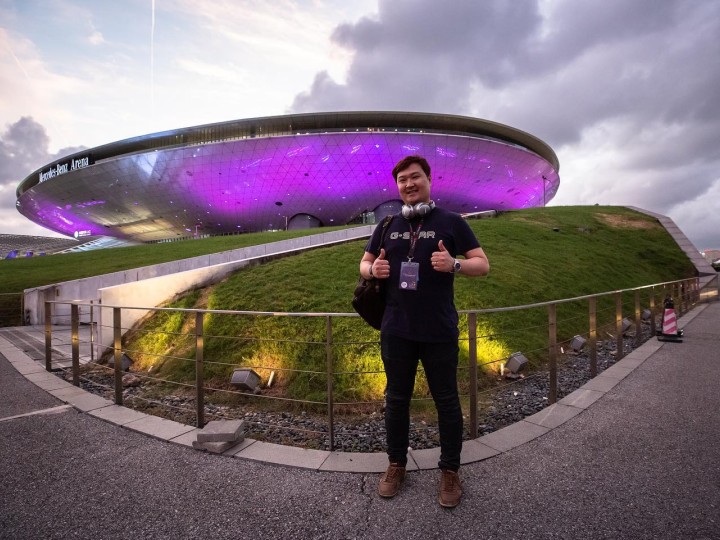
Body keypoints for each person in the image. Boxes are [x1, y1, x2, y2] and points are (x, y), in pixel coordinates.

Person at [359, 155, 490, 508]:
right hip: (396, 329)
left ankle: (450, 470)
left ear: (429, 180)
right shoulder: (387, 224)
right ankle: (396, 464)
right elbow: (364, 263)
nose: (409, 184)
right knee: (396, 400)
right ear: (397, 186)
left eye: (415, 177)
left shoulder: (451, 221)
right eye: (402, 180)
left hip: (439, 330)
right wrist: (373, 271)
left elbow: (483, 264)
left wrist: (454, 264)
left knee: (446, 400)